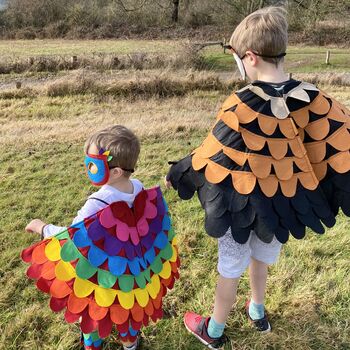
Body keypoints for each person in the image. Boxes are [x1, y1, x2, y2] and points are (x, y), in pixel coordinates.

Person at [165, 6, 350, 349]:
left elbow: (211, 154)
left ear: (248, 57)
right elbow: (339, 143)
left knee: (230, 267)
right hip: (280, 206)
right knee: (262, 258)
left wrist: (178, 173)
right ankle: (257, 310)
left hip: (240, 206)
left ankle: (214, 330)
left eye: (236, 57)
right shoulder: (314, 99)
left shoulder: (241, 103)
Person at [23, 125, 180, 350]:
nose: (87, 168)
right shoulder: (137, 187)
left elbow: (72, 238)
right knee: (129, 307)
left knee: (96, 309)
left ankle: (93, 345)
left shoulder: (97, 203)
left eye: (93, 164)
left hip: (106, 275)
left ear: (115, 171)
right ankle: (130, 343)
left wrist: (43, 227)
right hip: (133, 272)